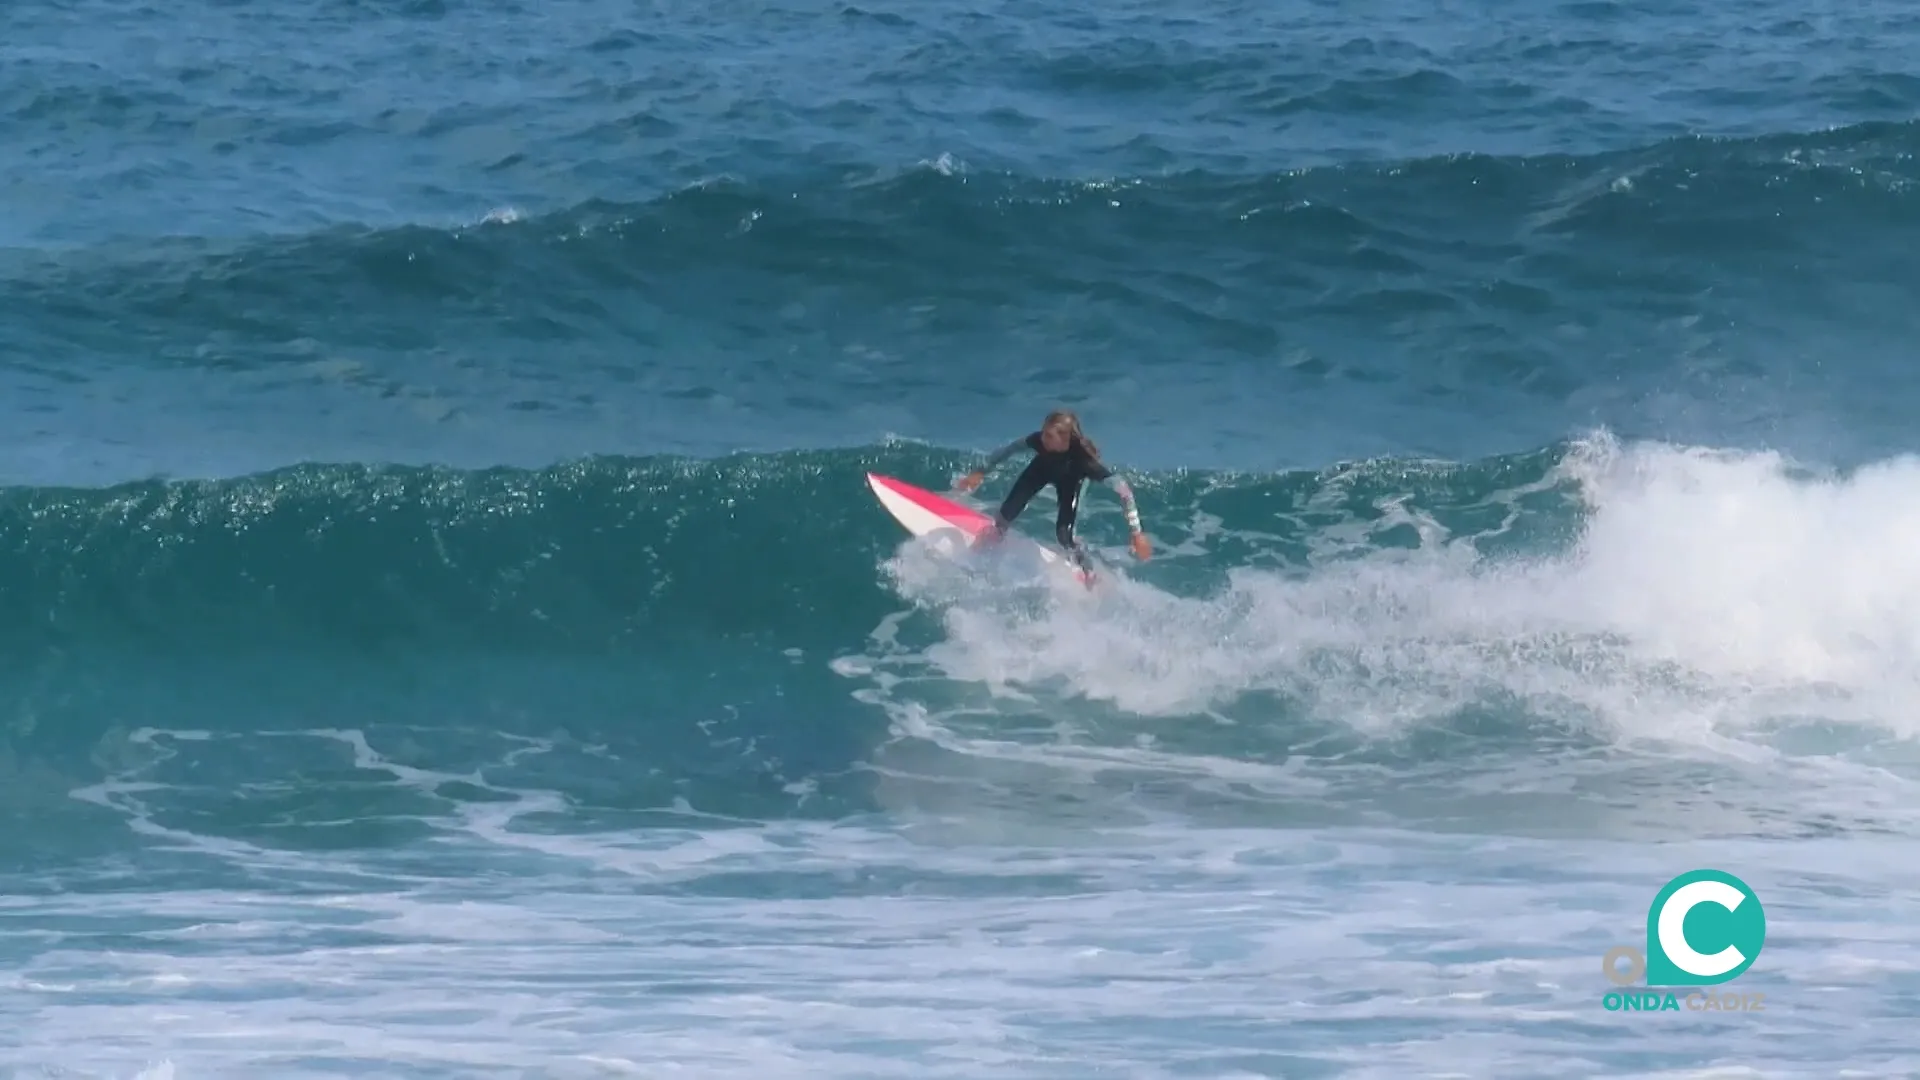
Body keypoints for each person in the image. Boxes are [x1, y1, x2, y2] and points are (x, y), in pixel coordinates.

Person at [955, 409, 1152, 574]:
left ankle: (1087, 570)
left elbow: (1123, 489)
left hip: (1070, 482)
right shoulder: (1040, 442)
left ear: (1064, 439)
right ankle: (992, 542)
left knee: (1064, 536)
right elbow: (1009, 450)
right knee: (1005, 515)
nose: (1043, 438)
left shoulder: (1084, 461)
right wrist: (980, 471)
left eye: (1049, 436)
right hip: (1040, 471)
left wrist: (1137, 532)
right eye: (1043, 432)